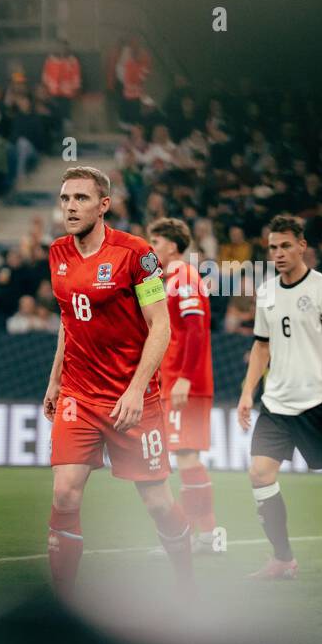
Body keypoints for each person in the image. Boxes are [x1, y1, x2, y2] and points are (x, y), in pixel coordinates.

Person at [43, 166, 192, 597]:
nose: (71, 207)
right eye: (65, 198)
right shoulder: (57, 252)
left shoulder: (137, 254)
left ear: (103, 205)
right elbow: (68, 320)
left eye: (81, 199)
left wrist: (135, 390)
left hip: (132, 400)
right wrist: (55, 379)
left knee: (158, 503)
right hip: (78, 394)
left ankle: (188, 587)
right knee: (65, 494)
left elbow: (160, 327)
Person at [237, 214, 322, 584]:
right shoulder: (267, 292)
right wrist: (247, 392)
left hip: (317, 402)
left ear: (302, 246)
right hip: (276, 404)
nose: (278, 253)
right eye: (273, 248)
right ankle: (283, 559)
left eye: (285, 246)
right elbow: (261, 347)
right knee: (259, 473)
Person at [147, 217, 218, 553]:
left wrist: (185, 377)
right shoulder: (168, 280)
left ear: (173, 246)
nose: (151, 249)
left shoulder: (184, 277)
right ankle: (206, 536)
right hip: (174, 382)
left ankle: (194, 537)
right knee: (185, 456)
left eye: (156, 242)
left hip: (184, 383)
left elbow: (196, 328)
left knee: (186, 456)